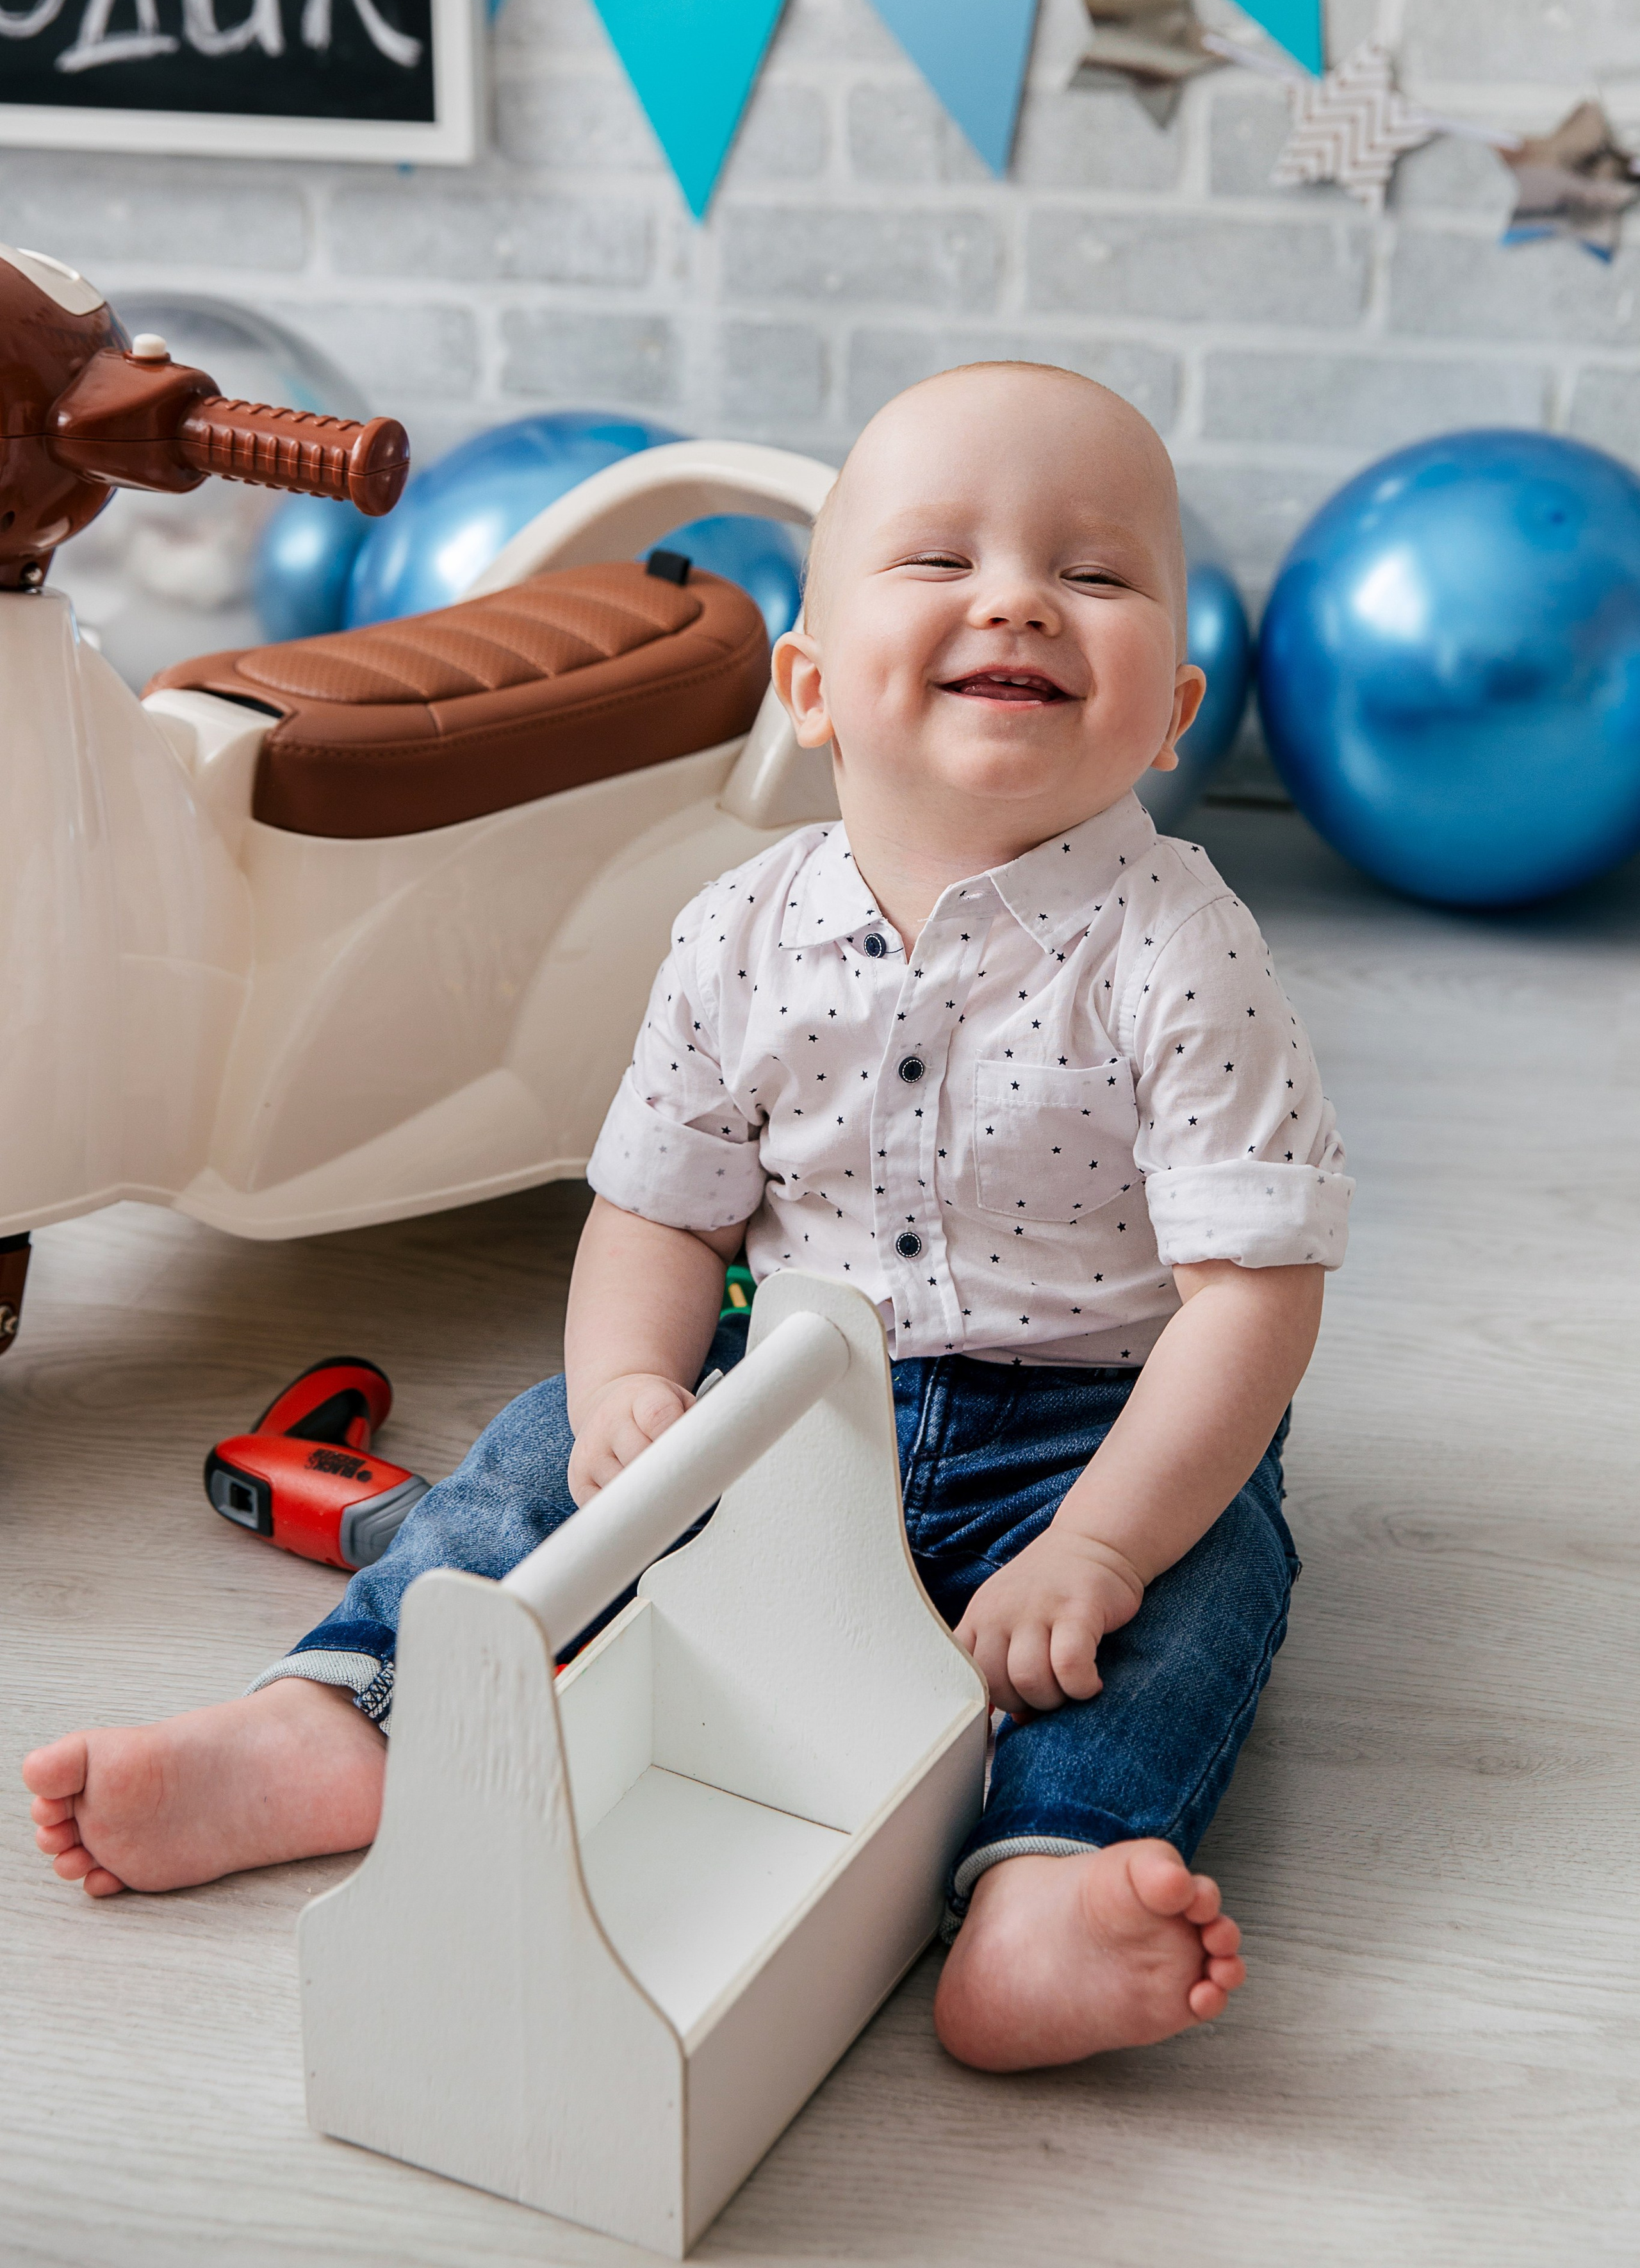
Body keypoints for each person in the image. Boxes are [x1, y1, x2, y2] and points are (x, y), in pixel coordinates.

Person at [24, 362, 1350, 2073]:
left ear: (1168, 713)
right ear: (808, 684)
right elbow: (658, 1211)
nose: (1018, 596)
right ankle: (340, 1720)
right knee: (534, 1445)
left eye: (1091, 575)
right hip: (794, 1389)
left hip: (1097, 1419)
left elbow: (1254, 1297)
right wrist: (635, 1392)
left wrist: (1100, 1540)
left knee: (1204, 1581)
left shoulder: (1184, 947)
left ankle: (1048, 1878)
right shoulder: (738, 927)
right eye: (939, 562)